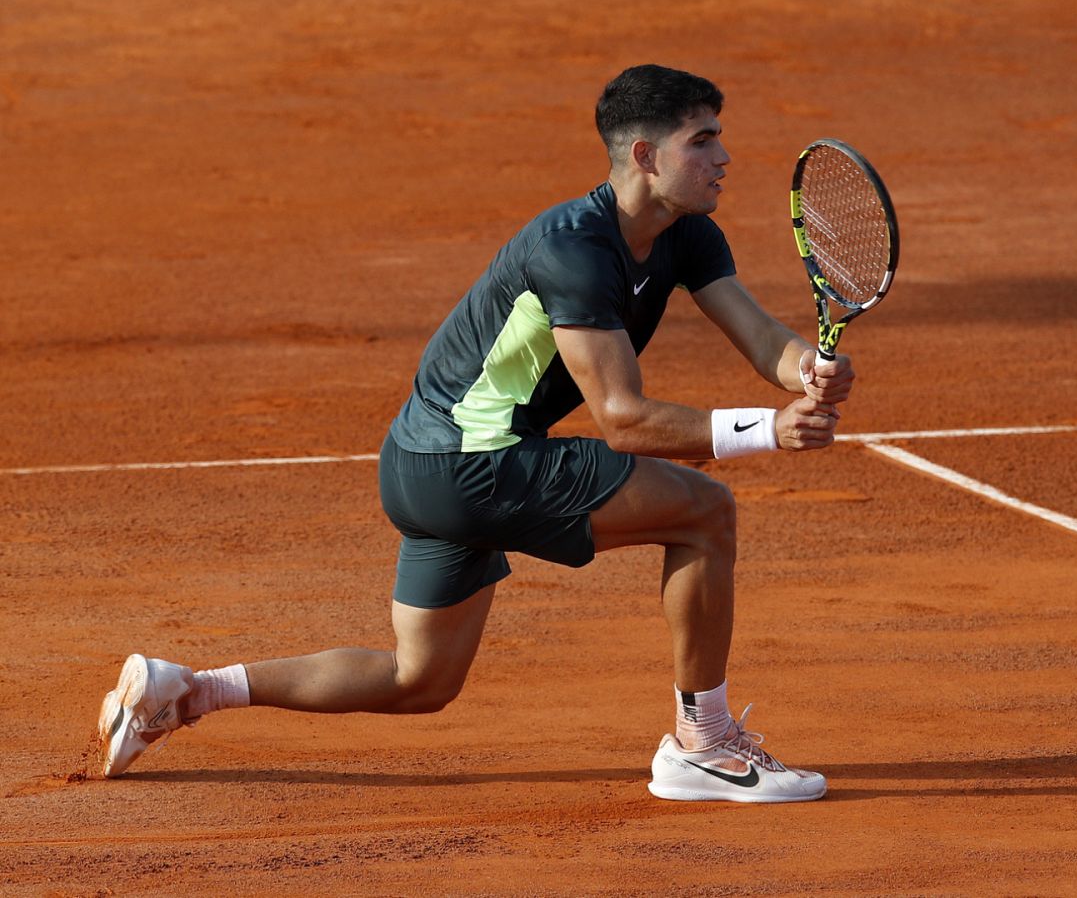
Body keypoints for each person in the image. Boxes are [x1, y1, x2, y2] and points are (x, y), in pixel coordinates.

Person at [96, 64, 854, 804]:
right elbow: (623, 419)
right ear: (646, 156)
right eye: (703, 140)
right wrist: (768, 429)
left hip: (420, 465)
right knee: (705, 514)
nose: (724, 156)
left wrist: (805, 368)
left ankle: (187, 691)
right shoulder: (574, 251)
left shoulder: (688, 236)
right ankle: (704, 744)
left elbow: (762, 337)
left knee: (420, 680)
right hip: (476, 465)